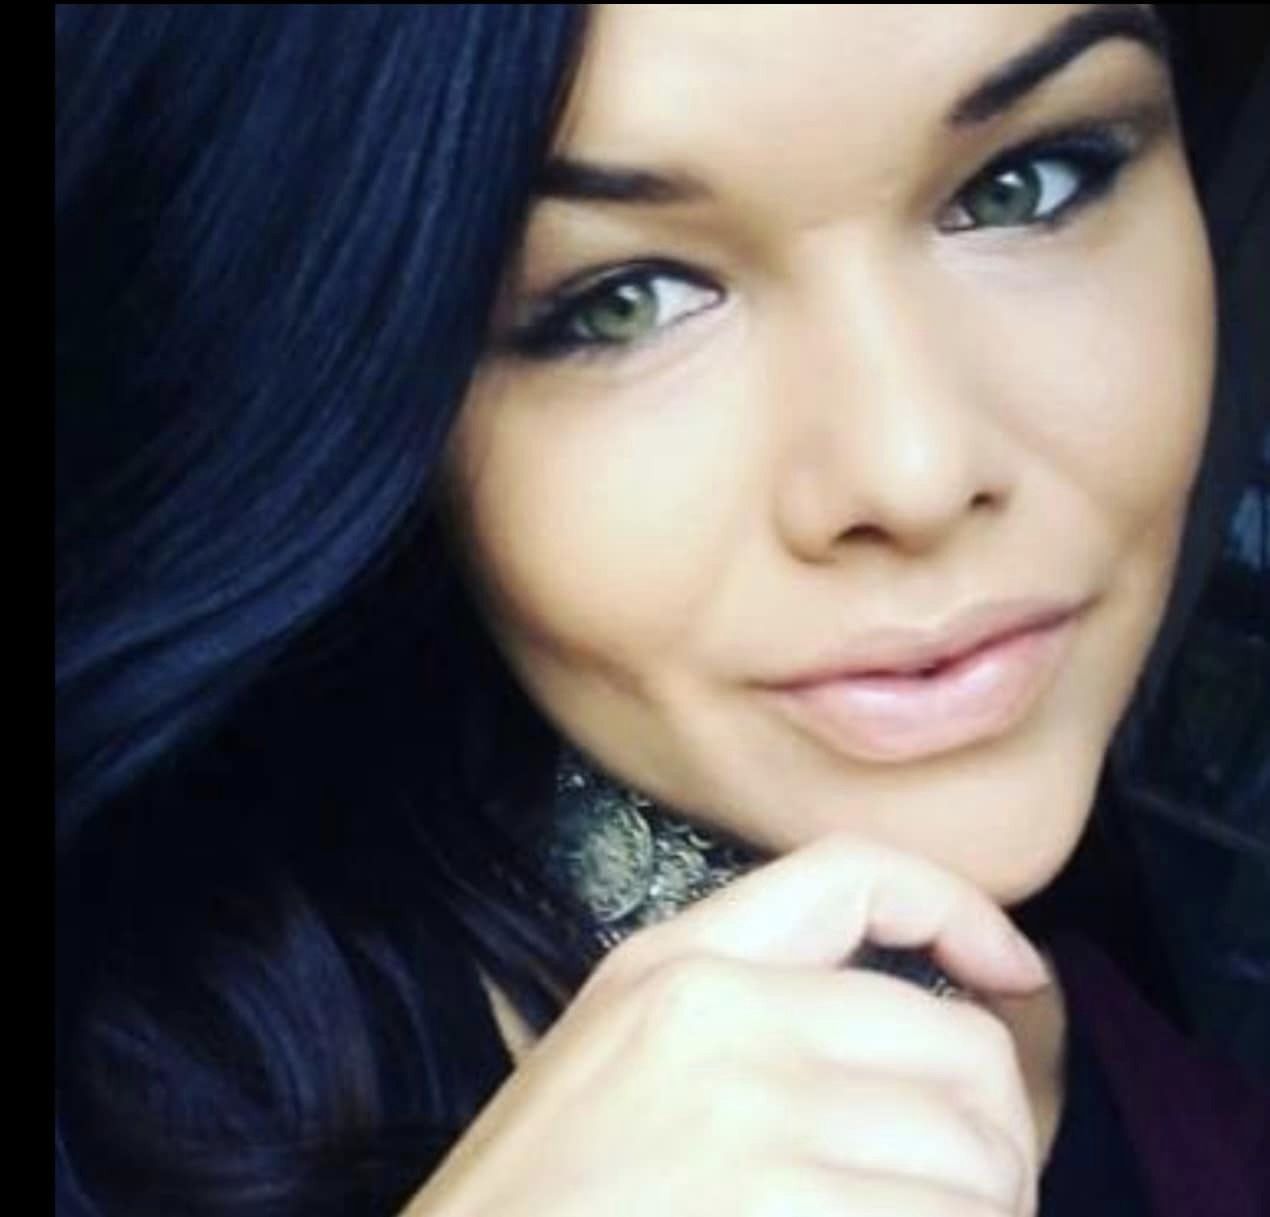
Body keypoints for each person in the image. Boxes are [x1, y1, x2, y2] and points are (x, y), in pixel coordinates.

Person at [55, 6, 1268, 1216]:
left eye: (1023, 185)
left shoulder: (1198, 1128)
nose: (912, 470)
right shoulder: (126, 1092)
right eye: (623, 299)